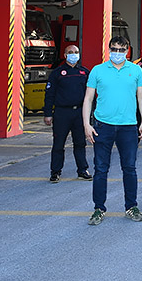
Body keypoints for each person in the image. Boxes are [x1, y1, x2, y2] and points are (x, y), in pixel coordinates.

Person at [82, 36, 142, 225]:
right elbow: (87, 99)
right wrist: (87, 124)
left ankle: (131, 206)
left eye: (121, 50)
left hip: (128, 126)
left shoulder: (136, 70)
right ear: (109, 49)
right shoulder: (98, 70)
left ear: (128, 50)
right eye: (114, 49)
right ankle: (98, 209)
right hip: (103, 125)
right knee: (101, 169)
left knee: (129, 168)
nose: (117, 53)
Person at [43, 44, 92, 183]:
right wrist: (48, 113)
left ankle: (82, 170)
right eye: (70, 52)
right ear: (65, 55)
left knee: (80, 143)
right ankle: (55, 172)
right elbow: (49, 94)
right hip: (61, 113)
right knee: (58, 144)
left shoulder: (84, 72)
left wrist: (91, 115)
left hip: (79, 113)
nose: (73, 54)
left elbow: (91, 95)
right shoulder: (57, 73)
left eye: (76, 52)